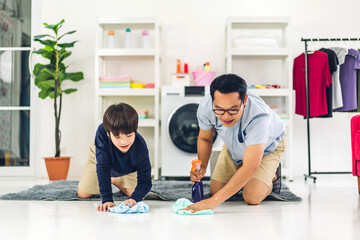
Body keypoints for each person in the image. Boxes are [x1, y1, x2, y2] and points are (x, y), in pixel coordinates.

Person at [185, 74, 286, 212]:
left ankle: (271, 177)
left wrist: (212, 203)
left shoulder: (259, 116)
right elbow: (205, 139)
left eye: (233, 109)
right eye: (219, 109)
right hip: (233, 144)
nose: (226, 116)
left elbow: (250, 167)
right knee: (216, 190)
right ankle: (244, 171)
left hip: (267, 147)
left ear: (244, 100)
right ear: (213, 100)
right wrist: (201, 166)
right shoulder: (206, 106)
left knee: (252, 197)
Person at [77, 103, 152, 212]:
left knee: (135, 193)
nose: (124, 141)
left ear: (135, 130)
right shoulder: (102, 134)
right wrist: (107, 200)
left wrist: (134, 199)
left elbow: (145, 182)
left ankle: (116, 180)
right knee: (83, 194)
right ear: (108, 133)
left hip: (127, 164)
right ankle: (110, 178)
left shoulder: (140, 147)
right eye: (117, 137)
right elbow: (103, 168)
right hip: (100, 159)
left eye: (129, 135)